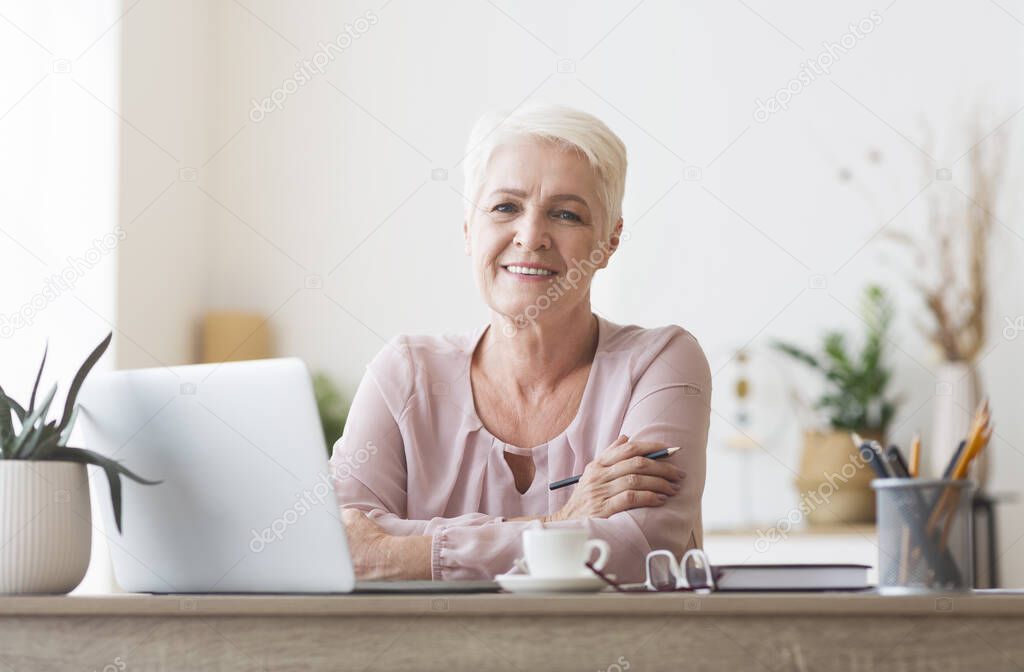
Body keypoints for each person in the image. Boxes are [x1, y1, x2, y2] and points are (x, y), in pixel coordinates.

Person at [330, 102, 710, 582]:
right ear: (470, 229)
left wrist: (405, 552)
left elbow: (638, 550)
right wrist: (558, 524)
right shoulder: (404, 372)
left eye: (567, 214)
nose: (531, 236)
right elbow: (341, 545)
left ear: (609, 242)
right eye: (505, 207)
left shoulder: (661, 362)